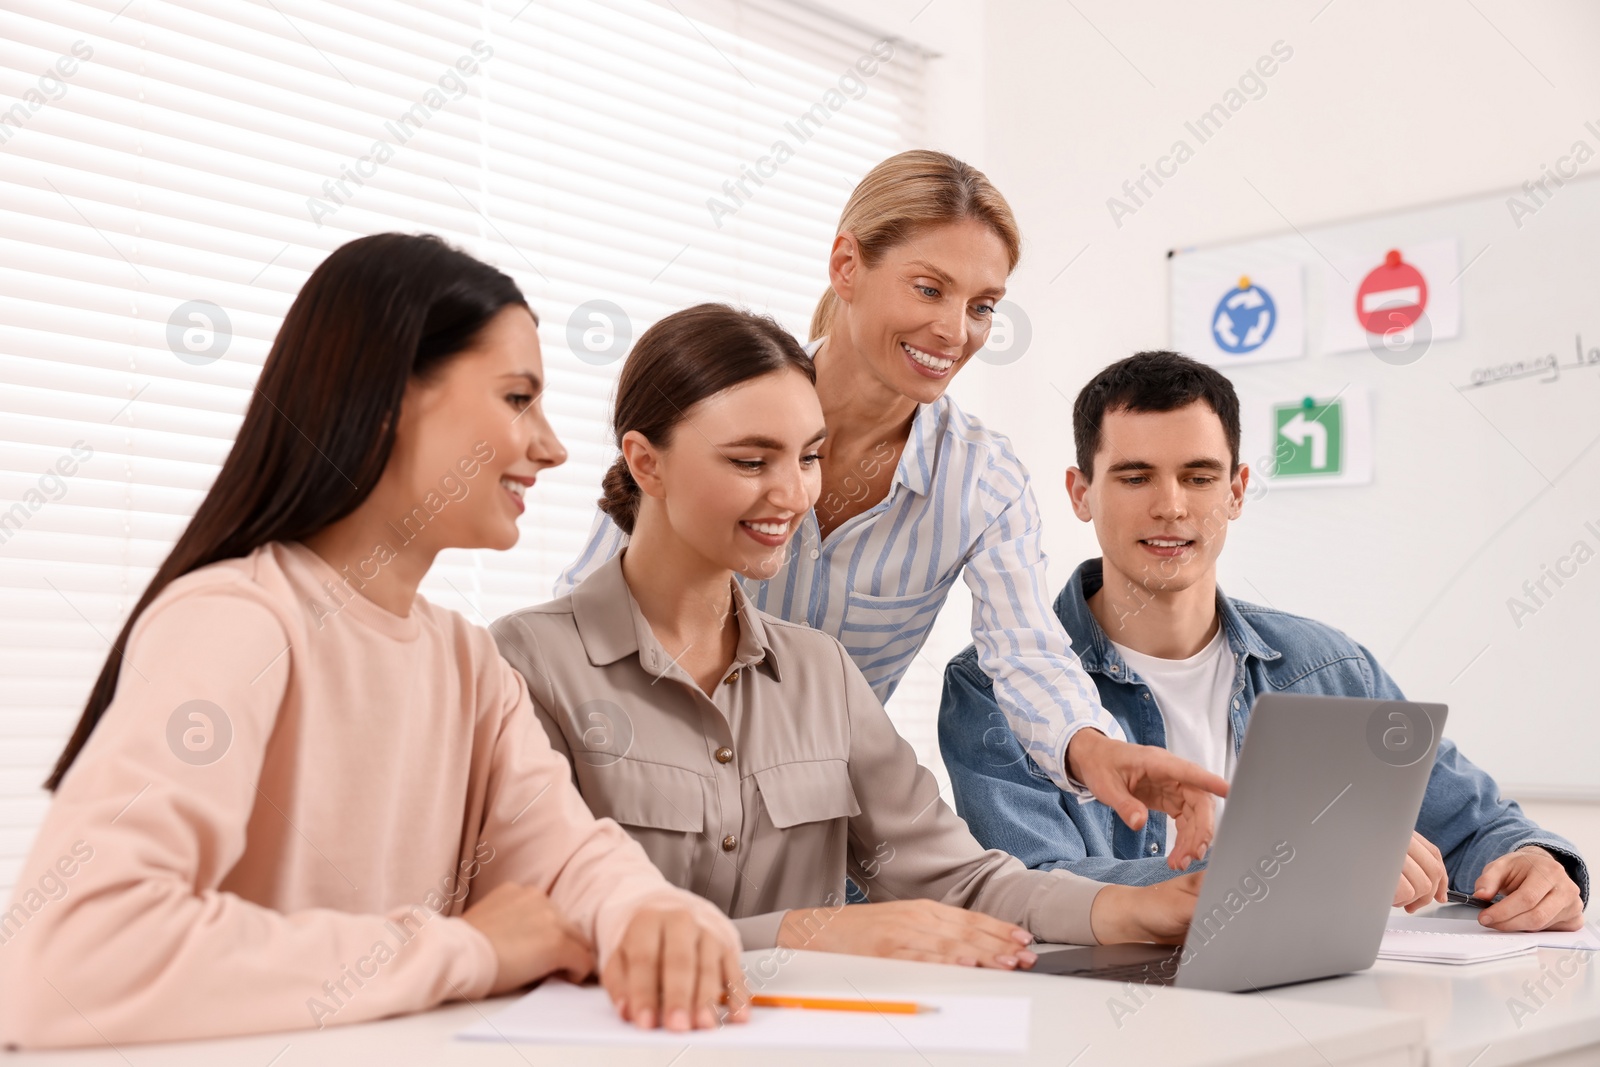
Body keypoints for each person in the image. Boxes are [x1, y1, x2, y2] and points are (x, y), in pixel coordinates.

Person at [0, 234, 748, 1049]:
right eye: (516, 398)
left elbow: (569, 865)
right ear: (390, 395)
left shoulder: (467, 664)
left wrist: (655, 913)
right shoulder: (237, 620)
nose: (553, 446)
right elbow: (74, 958)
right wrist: (465, 949)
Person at [555, 150, 1225, 868]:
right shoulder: (714, 408)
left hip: (804, 834)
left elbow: (1025, 649)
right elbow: (583, 618)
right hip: (641, 808)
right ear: (847, 266)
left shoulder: (980, 479)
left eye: (982, 306)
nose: (954, 330)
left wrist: (1094, 748)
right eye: (929, 288)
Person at [493, 304, 1203, 971]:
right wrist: (806, 934)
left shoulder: (819, 671)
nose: (794, 494)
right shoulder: (523, 665)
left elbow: (959, 880)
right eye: (751, 461)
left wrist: (1133, 909)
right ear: (646, 461)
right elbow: (544, 929)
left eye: (808, 457)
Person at [939, 351, 1589, 932]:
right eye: (1135, 477)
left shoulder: (1331, 669)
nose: (1171, 506)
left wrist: (1532, 862)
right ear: (1081, 494)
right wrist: (1298, 872)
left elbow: (1476, 824)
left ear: (1238, 490)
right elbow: (1035, 889)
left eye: (1198, 477)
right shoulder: (992, 688)